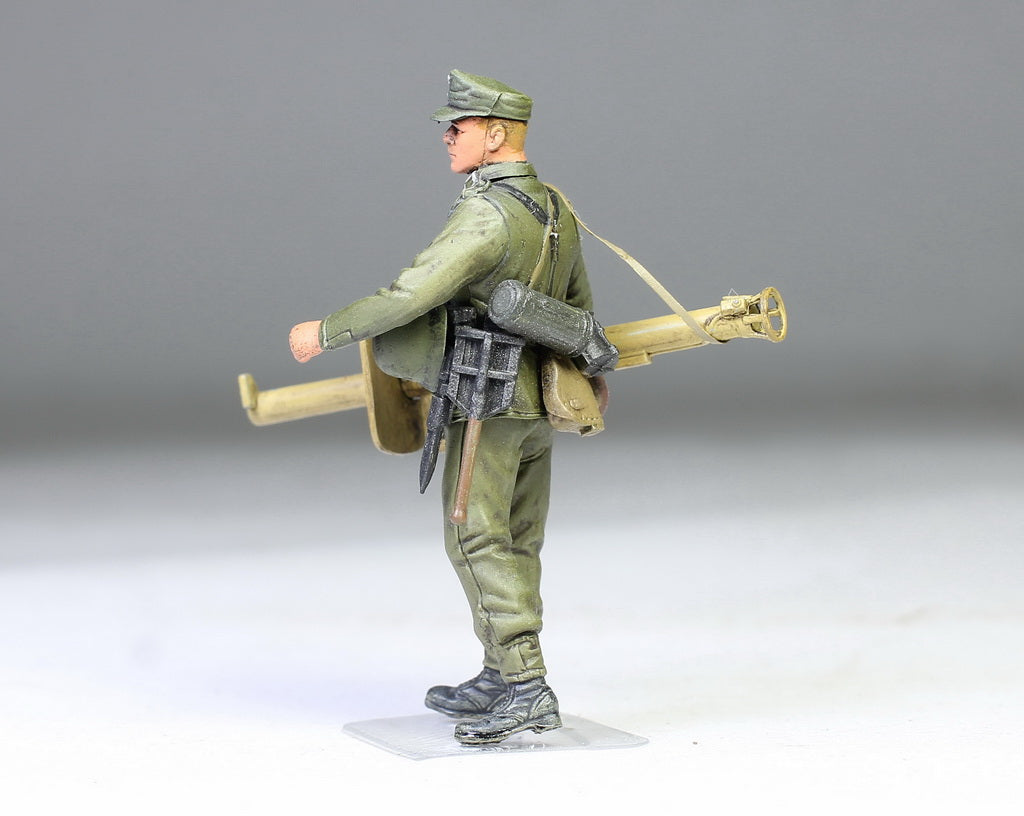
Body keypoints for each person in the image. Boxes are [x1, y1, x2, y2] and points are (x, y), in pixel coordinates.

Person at [288, 69, 606, 745]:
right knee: (517, 540)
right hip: (541, 398)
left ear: (496, 134)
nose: (447, 136)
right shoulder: (553, 205)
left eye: (458, 126)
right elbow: (578, 303)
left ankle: (527, 686)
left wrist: (328, 331)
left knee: (475, 538)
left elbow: (412, 293)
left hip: (486, 397)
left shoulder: (487, 213)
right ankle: (500, 672)